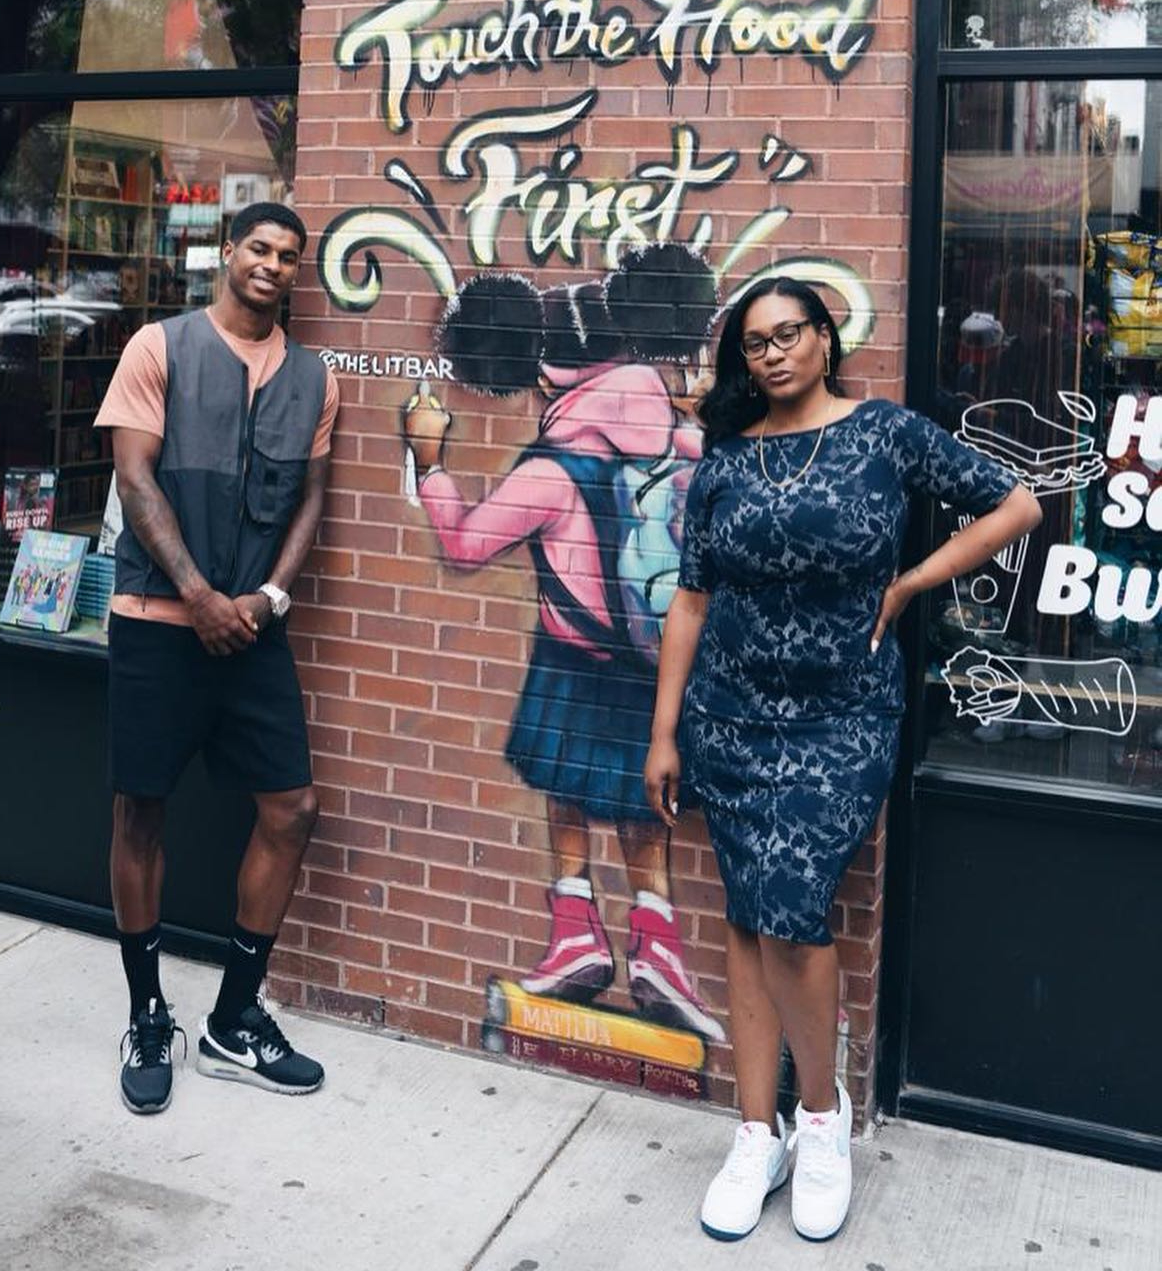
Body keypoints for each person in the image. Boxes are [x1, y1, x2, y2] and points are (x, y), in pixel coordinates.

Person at [644, 277, 1041, 1242]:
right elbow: (691, 599)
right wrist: (663, 731)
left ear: (826, 339)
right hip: (729, 715)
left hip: (844, 712)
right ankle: (755, 1131)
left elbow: (1017, 504)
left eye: (789, 335)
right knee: (748, 915)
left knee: (789, 906)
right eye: (755, 344)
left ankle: (820, 1121)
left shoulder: (885, 432)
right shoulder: (726, 457)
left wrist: (911, 581)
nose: (773, 354)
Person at [402, 247, 723, 1040]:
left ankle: (577, 933)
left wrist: (431, 461)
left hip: (571, 654)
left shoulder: (552, 465)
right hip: (655, 662)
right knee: (642, 801)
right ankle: (658, 944)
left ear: (544, 375)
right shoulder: (675, 440)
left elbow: (470, 544)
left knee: (570, 795)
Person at [94, 201, 339, 1115]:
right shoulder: (159, 347)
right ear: (228, 252)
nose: (273, 265)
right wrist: (197, 594)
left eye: (288, 256)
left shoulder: (314, 378)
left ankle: (236, 1017)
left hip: (253, 629)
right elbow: (134, 476)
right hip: (158, 618)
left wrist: (268, 598)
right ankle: (147, 1010)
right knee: (141, 810)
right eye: (259, 248)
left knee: (293, 807)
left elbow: (313, 496)